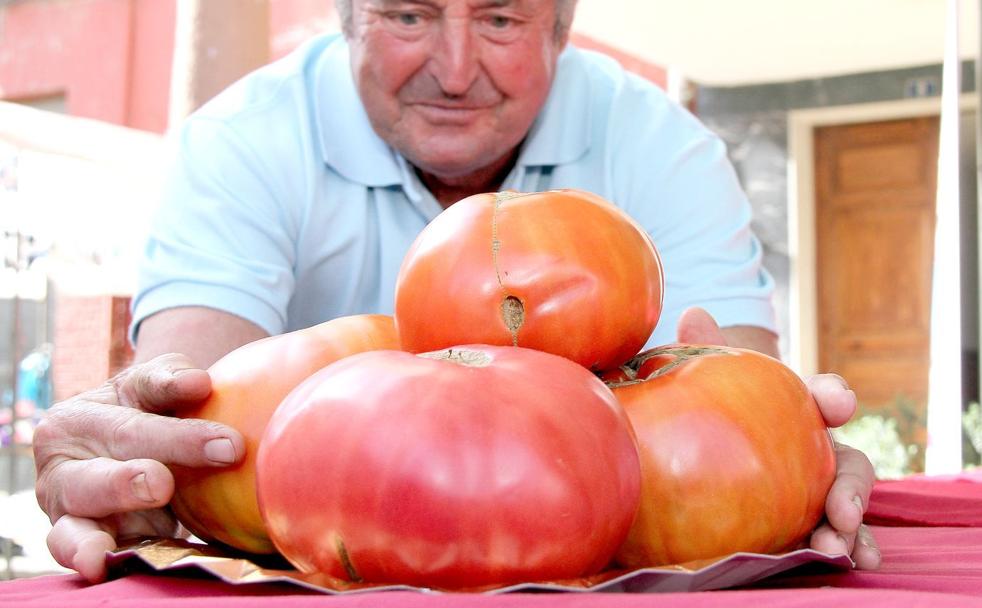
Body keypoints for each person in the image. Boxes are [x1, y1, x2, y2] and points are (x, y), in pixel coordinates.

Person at [32, 0, 879, 583]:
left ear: (562, 28)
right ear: (347, 15)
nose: (456, 68)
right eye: (409, 12)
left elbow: (735, 427)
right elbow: (192, 410)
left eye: (503, 16)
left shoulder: (662, 144)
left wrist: (789, 459)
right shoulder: (241, 143)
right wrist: (137, 461)